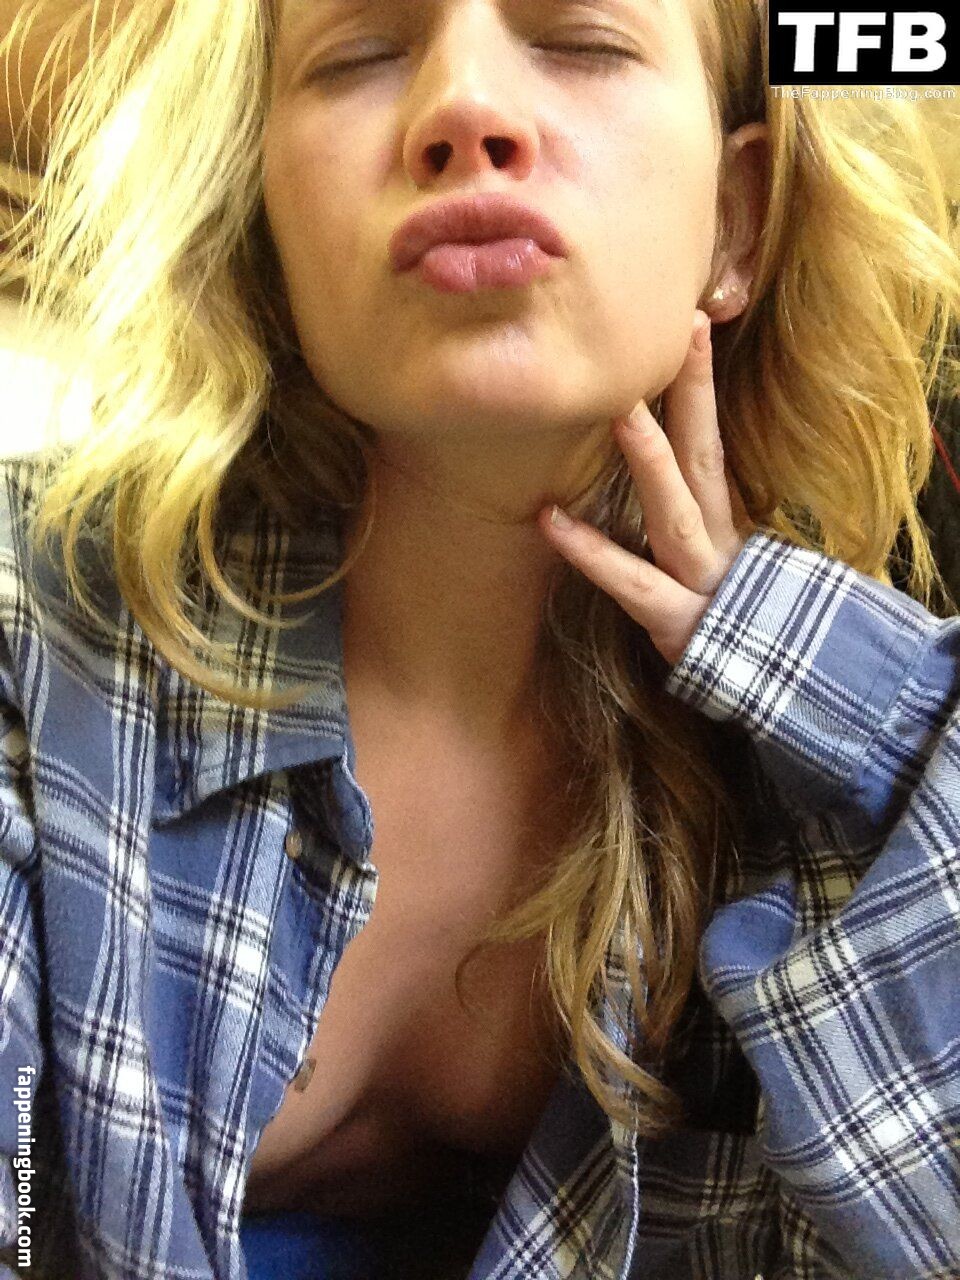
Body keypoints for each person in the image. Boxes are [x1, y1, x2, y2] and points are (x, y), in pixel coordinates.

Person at [0, 1, 957, 1278]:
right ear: (263, 206)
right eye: (361, 54)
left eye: (582, 42)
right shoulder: (36, 640)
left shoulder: (805, 792)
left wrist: (797, 664)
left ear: (737, 220)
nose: (464, 108)